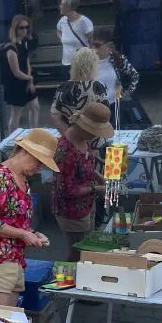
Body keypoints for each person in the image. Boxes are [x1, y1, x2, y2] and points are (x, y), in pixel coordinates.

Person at [0, 129, 59, 306]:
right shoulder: (2, 177)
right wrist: (24, 235)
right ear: (25, 151)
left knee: (9, 320)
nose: (40, 168)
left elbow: (13, 221)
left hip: (13, 258)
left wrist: (32, 233)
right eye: (39, 161)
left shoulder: (23, 179)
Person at [52, 104, 114, 257]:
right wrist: (96, 189)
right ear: (83, 127)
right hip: (71, 211)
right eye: (94, 132)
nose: (96, 136)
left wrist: (98, 177)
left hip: (86, 204)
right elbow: (67, 190)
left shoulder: (81, 139)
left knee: (87, 247)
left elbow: (84, 165)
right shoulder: (66, 152)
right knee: (78, 254)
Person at [50, 46, 107, 136]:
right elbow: (104, 118)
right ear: (91, 67)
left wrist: (71, 136)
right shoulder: (97, 87)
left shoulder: (63, 87)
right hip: (93, 143)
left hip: (69, 143)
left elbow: (55, 116)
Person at [1, 15, 39, 131]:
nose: (24, 30)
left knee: (35, 107)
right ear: (15, 28)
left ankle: (34, 133)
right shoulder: (11, 48)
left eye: (26, 27)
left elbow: (27, 61)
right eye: (21, 28)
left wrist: (29, 78)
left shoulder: (23, 42)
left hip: (26, 79)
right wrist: (30, 79)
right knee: (16, 113)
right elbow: (16, 72)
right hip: (15, 84)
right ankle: (12, 140)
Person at [91, 27, 140, 106]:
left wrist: (126, 93)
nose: (93, 48)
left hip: (115, 104)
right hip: (96, 108)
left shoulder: (118, 59)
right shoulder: (88, 61)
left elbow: (134, 75)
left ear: (108, 45)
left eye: (97, 45)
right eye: (92, 45)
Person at [56, 0, 94, 80]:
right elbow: (58, 30)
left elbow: (91, 41)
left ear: (69, 7)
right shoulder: (62, 21)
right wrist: (62, 39)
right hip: (66, 63)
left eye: (62, 4)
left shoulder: (84, 22)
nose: (60, 6)